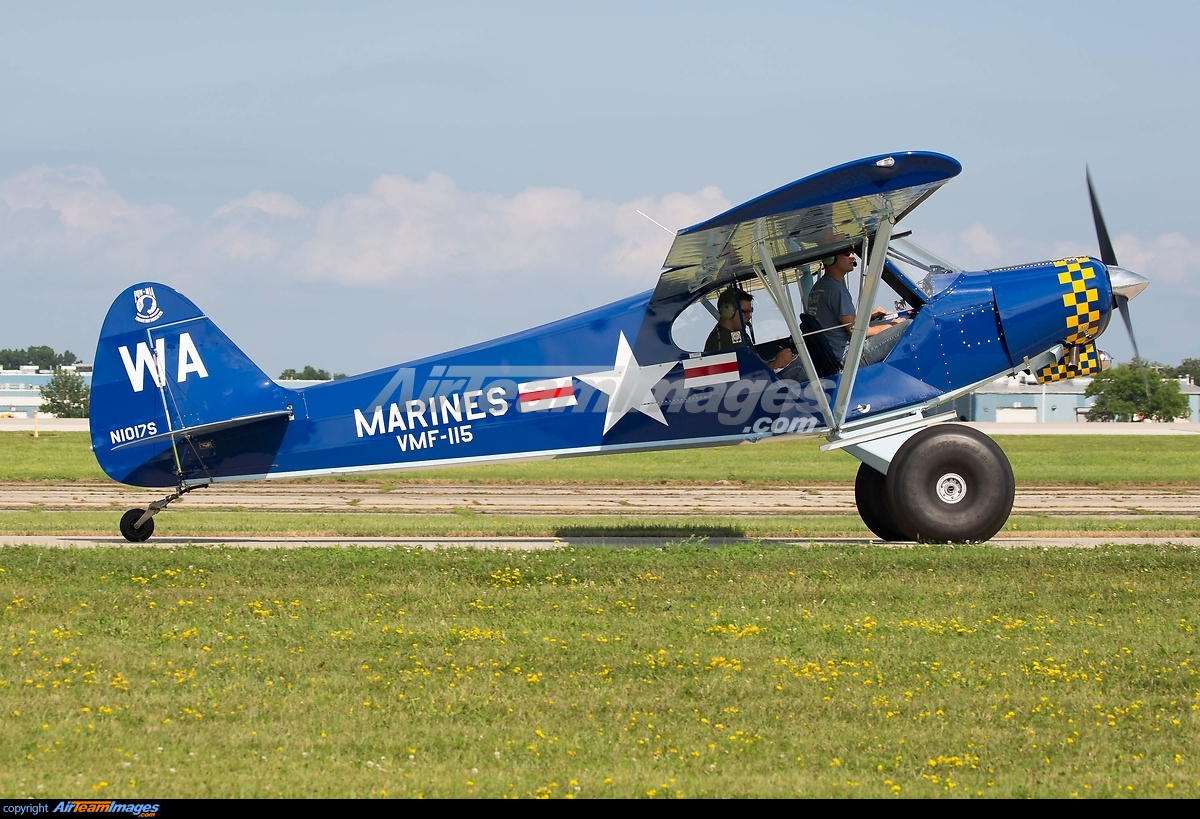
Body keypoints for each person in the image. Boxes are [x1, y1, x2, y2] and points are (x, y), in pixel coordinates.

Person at [804, 250, 909, 367]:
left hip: (832, 355)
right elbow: (855, 331)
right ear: (830, 259)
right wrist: (892, 326)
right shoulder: (836, 289)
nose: (853, 257)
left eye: (852, 253)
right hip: (847, 358)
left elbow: (836, 323)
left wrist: (868, 317)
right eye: (846, 254)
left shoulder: (820, 286)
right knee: (907, 326)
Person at [704, 288, 796, 370]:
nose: (749, 316)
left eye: (750, 311)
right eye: (744, 312)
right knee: (799, 366)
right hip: (755, 387)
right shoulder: (719, 343)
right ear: (727, 311)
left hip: (762, 384)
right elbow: (745, 379)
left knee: (798, 361)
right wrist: (775, 364)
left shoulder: (741, 335)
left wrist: (777, 361)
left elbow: (759, 364)